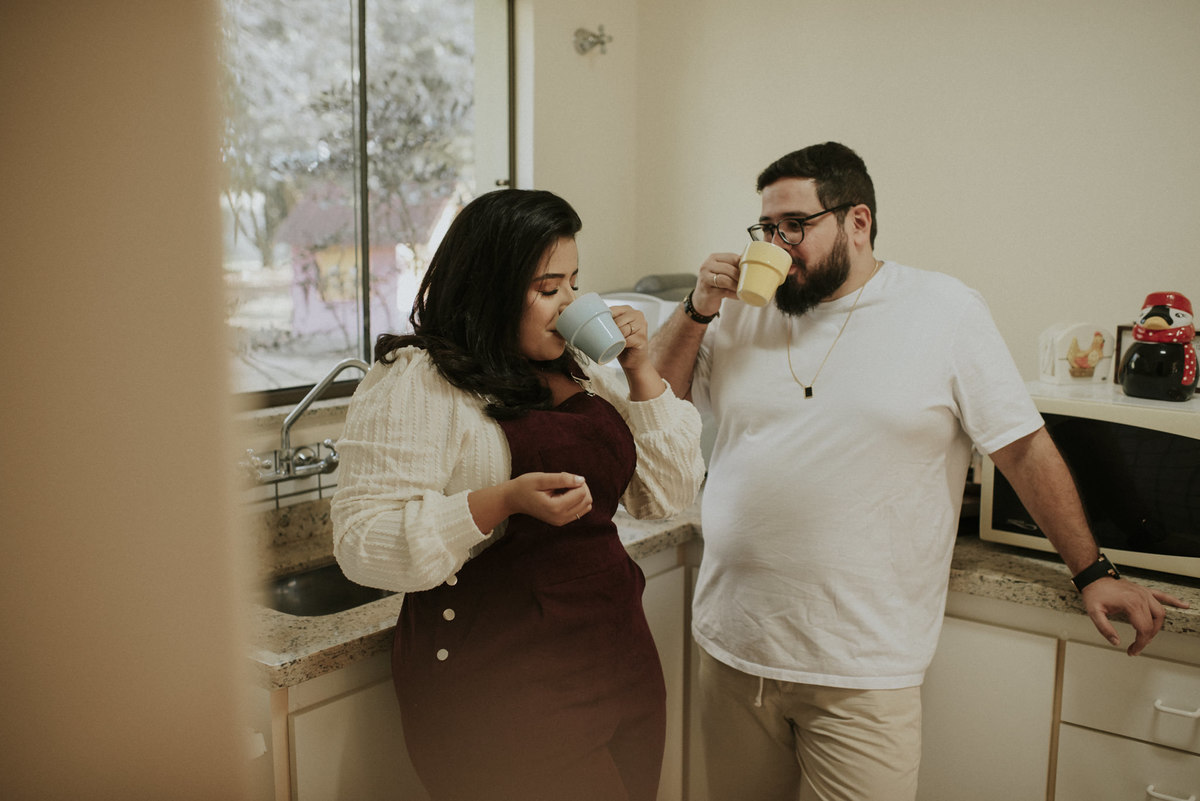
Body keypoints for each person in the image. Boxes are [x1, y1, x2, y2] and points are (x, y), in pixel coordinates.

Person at [649, 142, 1189, 801]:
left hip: (864, 671)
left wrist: (1093, 569)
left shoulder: (945, 310)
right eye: (766, 228)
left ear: (858, 221)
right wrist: (698, 307)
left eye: (795, 225)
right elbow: (658, 406)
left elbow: (1023, 448)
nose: (777, 244)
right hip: (731, 651)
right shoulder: (738, 311)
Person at [331, 188, 706, 801]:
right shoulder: (421, 380)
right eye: (547, 288)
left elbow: (667, 492)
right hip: (498, 688)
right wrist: (497, 502)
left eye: (574, 284)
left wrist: (641, 370)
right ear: (490, 287)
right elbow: (360, 543)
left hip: (617, 658)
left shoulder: (580, 369)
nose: (569, 305)